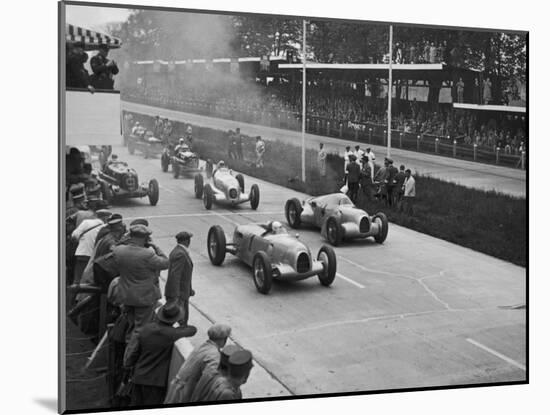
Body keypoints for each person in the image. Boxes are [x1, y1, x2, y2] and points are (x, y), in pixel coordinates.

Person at [123, 303, 197, 407]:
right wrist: (181, 322)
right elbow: (192, 330)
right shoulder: (173, 334)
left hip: (138, 376)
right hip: (155, 382)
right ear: (175, 319)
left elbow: (134, 353)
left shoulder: (146, 329)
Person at [113, 224, 170, 337]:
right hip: (143, 298)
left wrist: (124, 240)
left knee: (130, 326)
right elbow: (165, 263)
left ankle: (127, 349)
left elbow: (117, 246)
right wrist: (155, 247)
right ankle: (131, 354)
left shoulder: (118, 250)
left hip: (125, 295)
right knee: (140, 330)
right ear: (145, 238)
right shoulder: (147, 254)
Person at [164, 324, 232, 404]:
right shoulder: (214, 355)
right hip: (184, 393)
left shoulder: (203, 346)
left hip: (177, 387)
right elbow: (205, 382)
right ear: (223, 339)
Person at [165, 231, 195, 328]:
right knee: (181, 318)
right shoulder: (180, 254)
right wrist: (176, 296)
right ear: (187, 241)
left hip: (182, 292)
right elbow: (175, 276)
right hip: (179, 294)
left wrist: (189, 289)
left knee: (181, 317)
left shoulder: (178, 251)